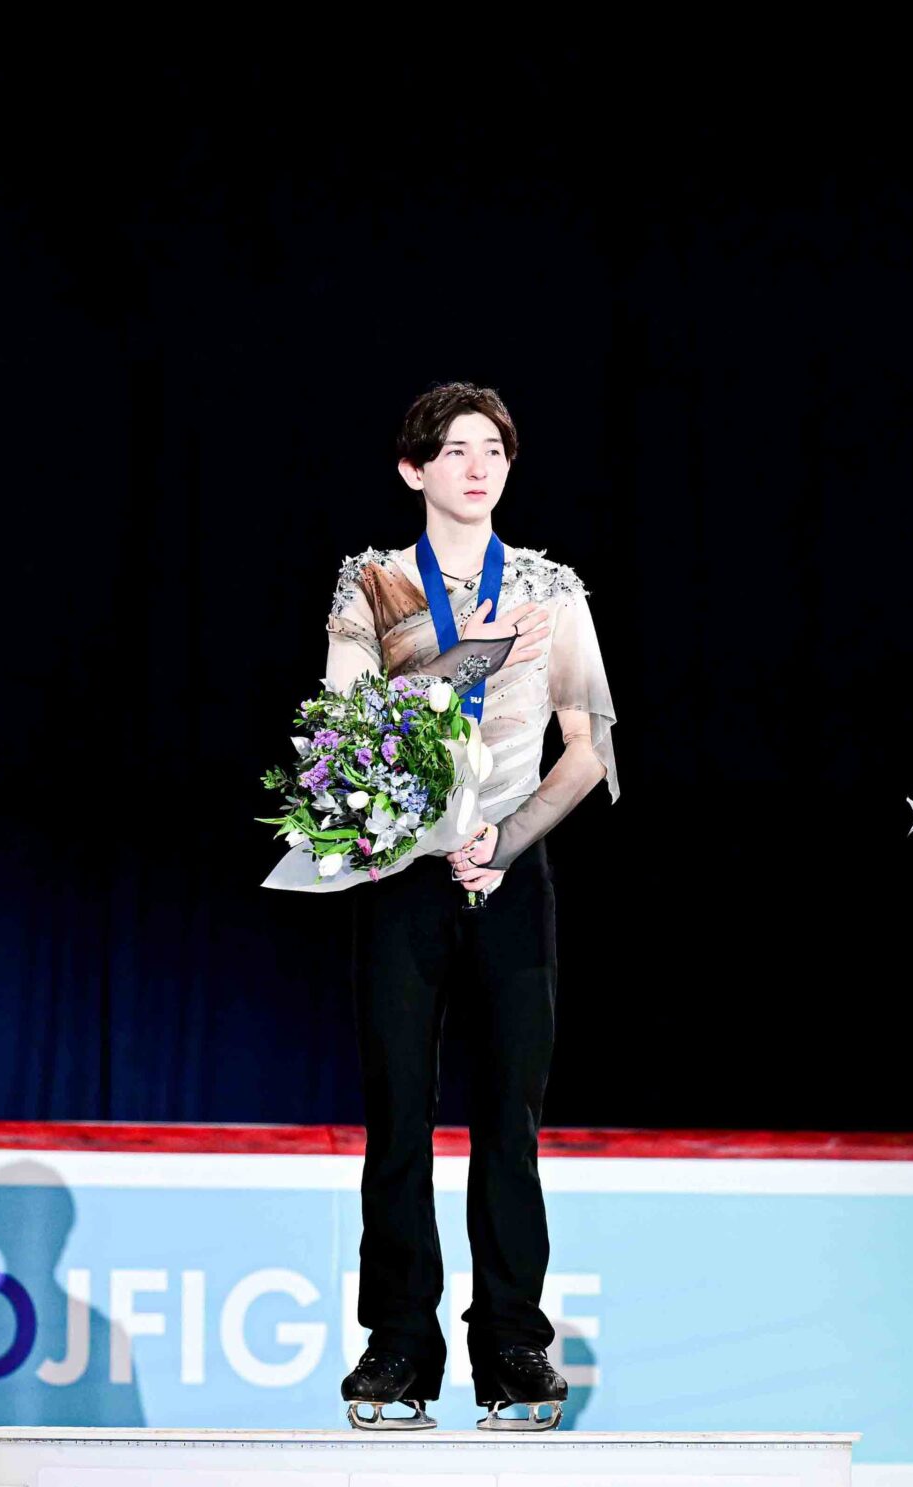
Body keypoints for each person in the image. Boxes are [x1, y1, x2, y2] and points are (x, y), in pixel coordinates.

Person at [296, 381, 620, 1431]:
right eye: (455, 450)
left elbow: (587, 753)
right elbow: (345, 725)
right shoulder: (373, 583)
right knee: (398, 1114)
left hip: (511, 874)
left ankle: (513, 1342)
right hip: (401, 873)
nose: (478, 467)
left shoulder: (550, 588)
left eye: (494, 451)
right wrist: (456, 672)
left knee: (509, 1121)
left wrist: (506, 841)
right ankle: (398, 1342)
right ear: (413, 469)